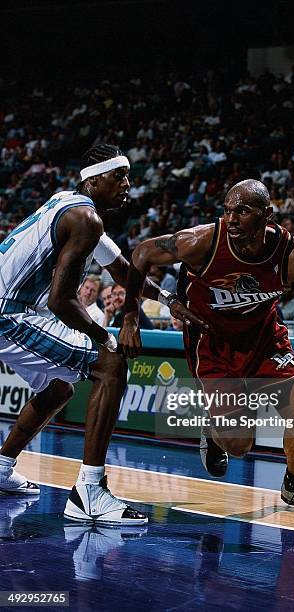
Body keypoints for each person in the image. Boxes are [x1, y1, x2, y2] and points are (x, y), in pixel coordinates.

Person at [0, 144, 204, 525]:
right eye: (119, 176)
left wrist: (167, 299)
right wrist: (105, 337)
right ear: (94, 180)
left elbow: (123, 271)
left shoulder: (70, 206)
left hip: (9, 310)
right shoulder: (85, 219)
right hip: (9, 313)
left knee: (58, 389)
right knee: (110, 364)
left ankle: (1, 466)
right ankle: (89, 493)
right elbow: (62, 301)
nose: (128, 184)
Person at [120, 179, 294, 514]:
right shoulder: (201, 242)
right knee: (240, 446)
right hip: (212, 342)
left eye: (242, 211)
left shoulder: (292, 256)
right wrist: (132, 318)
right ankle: (213, 431)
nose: (232, 219)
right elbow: (141, 253)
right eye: (227, 211)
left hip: (264, 338)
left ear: (267, 215)